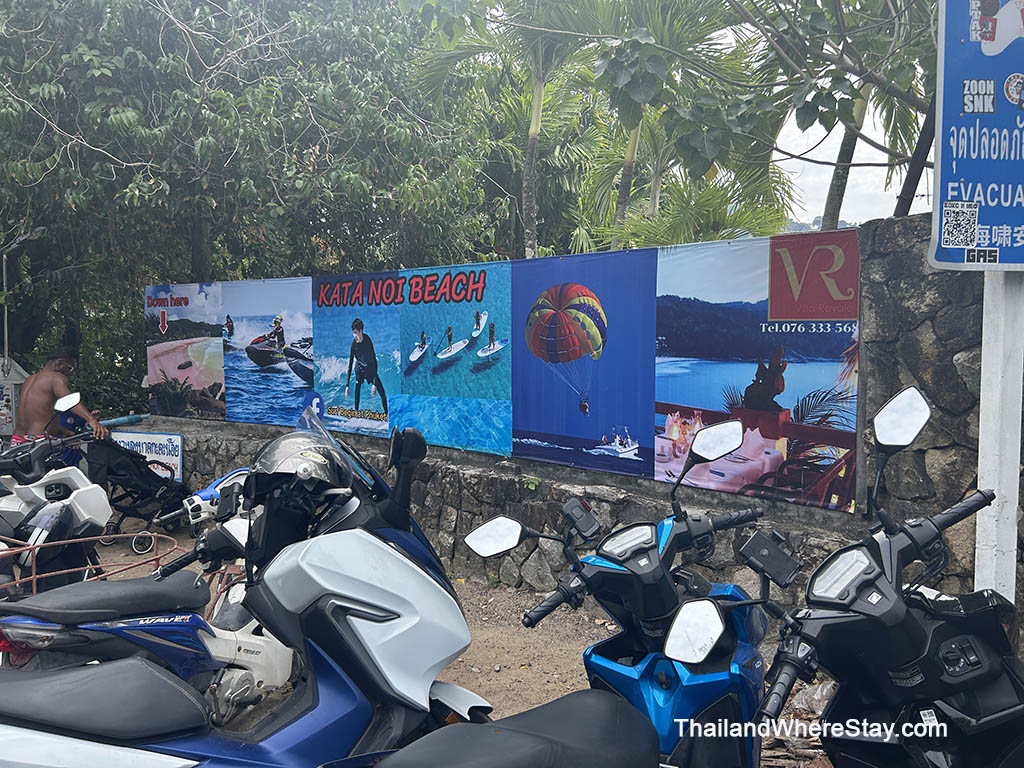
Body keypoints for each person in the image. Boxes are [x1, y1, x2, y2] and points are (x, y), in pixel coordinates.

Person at [13, 348, 109, 443]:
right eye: (70, 368)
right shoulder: (56, 377)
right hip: (38, 440)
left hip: (18, 439)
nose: (69, 373)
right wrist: (91, 420)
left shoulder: (29, 380)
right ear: (59, 362)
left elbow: (39, 415)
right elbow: (69, 400)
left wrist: (64, 431)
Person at [345, 318, 388, 414]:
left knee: (382, 393)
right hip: (359, 368)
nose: (354, 335)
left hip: (370, 369)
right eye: (353, 333)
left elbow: (374, 360)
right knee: (357, 390)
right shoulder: (353, 345)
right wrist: (347, 386)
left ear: (361, 331)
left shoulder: (368, 341)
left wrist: (374, 383)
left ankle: (386, 414)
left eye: (356, 332)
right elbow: (350, 363)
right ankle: (356, 413)